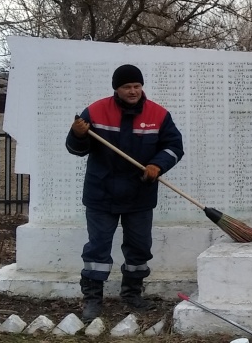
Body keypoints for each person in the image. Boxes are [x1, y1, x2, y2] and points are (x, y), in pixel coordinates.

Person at [66, 64, 184, 321]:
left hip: (139, 194)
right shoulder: (96, 111)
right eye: (127, 87)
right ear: (116, 89)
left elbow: (174, 146)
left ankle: (132, 294)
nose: (133, 91)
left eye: (137, 86)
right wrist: (77, 135)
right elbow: (76, 150)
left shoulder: (159, 114)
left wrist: (157, 165)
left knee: (139, 248)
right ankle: (92, 299)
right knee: (97, 249)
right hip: (101, 193)